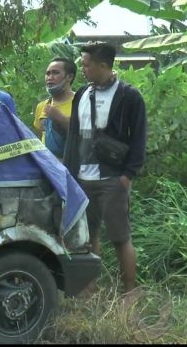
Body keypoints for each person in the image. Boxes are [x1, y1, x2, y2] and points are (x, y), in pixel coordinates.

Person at [63, 42, 147, 299]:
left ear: (103, 65)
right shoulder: (82, 95)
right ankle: (90, 289)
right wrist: (69, 173)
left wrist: (127, 175)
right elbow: (74, 136)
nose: (83, 69)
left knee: (120, 237)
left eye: (87, 65)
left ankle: (129, 292)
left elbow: (139, 137)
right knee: (88, 236)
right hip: (83, 178)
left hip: (113, 178)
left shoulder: (129, 96)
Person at [32, 57, 77, 159]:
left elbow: (84, 136)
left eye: (55, 73)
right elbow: (40, 136)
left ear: (69, 77)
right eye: (48, 73)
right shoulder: (42, 106)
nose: (50, 77)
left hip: (72, 165)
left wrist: (60, 118)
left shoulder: (81, 102)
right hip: (48, 165)